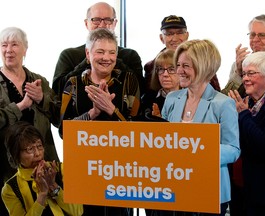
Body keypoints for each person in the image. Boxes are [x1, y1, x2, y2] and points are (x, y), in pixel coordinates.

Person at [60, 28, 139, 216]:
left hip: (120, 169)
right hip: (83, 168)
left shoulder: (129, 81)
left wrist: (112, 110)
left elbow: (138, 133)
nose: (107, 58)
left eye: (112, 52)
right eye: (100, 52)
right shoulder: (72, 84)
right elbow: (65, 131)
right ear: (88, 54)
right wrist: (93, 112)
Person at [161, 39, 240, 215]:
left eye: (186, 66)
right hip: (173, 188)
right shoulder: (172, 99)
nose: (179, 71)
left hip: (209, 190)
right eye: (178, 65)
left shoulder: (223, 103)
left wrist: (198, 151)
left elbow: (233, 149)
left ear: (204, 67)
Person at [0, 27, 60, 215]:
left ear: (25, 49)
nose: (8, 49)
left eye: (14, 44)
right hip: (6, 167)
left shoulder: (38, 80)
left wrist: (42, 98)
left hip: (43, 164)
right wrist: (20, 106)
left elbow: (60, 117)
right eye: (4, 45)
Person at [228, 51, 265, 216]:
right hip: (241, 191)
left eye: (251, 73)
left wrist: (243, 115)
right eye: (244, 73)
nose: (245, 78)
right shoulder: (246, 103)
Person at [52, 1, 144, 99]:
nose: (102, 25)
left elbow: (141, 90)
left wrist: (111, 59)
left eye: (108, 20)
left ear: (115, 23)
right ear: (86, 23)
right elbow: (57, 90)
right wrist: (91, 58)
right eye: (96, 20)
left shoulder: (130, 55)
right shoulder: (69, 55)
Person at [1, 121, 83, 216]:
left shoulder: (62, 169)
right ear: (16, 154)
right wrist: (42, 195)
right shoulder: (10, 189)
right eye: (30, 149)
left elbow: (78, 212)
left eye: (39, 146)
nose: (37, 153)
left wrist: (53, 186)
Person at [144, 15, 221, 92]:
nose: (175, 38)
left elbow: (215, 93)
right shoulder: (151, 67)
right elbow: (148, 97)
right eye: (169, 34)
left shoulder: (202, 61)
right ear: (161, 38)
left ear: (187, 35)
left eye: (180, 33)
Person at [221, 14, 265, 99]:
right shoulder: (239, 64)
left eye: (262, 35)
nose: (255, 40)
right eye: (252, 35)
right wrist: (238, 73)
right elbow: (226, 99)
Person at [141, 49, 179, 120]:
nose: (165, 74)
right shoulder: (148, 99)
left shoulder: (190, 97)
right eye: (161, 69)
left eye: (171, 69)